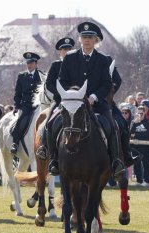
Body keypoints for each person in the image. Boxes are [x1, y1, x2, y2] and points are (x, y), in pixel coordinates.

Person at [51, 21, 123, 175]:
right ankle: (53, 160)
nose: (87, 40)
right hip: (72, 104)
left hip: (95, 104)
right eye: (84, 37)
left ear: (95, 40)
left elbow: (106, 83)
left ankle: (116, 160)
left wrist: (94, 96)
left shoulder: (104, 59)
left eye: (90, 37)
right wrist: (71, 94)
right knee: (51, 123)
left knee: (113, 125)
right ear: (80, 39)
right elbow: (62, 79)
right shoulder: (70, 58)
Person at [36, 37, 74, 160]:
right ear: (60, 52)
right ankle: (45, 148)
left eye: (69, 49)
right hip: (59, 100)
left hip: (76, 101)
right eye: (64, 49)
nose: (67, 51)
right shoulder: (55, 65)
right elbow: (49, 83)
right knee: (49, 122)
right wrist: (60, 93)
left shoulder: (78, 65)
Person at [10, 52, 43, 155]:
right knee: (21, 122)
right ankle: (15, 143)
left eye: (31, 63)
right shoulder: (21, 76)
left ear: (36, 63)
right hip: (26, 106)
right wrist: (16, 106)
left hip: (39, 105)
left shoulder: (42, 75)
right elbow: (18, 93)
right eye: (28, 63)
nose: (29, 65)